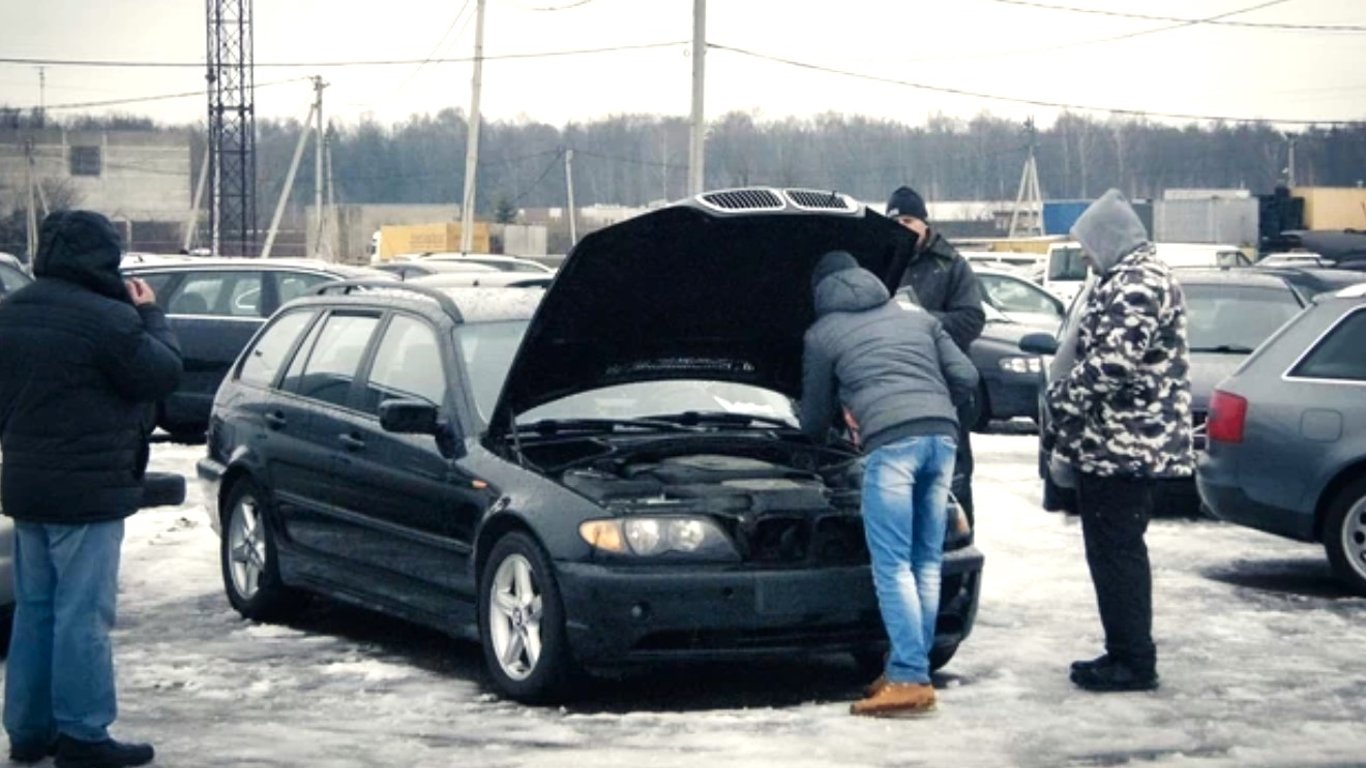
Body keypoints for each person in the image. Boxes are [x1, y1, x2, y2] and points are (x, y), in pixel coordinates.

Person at [0, 210, 182, 767]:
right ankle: (82, 732)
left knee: (34, 608)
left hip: (27, 485)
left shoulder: (10, 314)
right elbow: (162, 374)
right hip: (88, 492)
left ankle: (29, 730)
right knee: (83, 612)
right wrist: (151, 314)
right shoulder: (110, 319)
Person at [799, 250, 978, 717]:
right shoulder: (916, 318)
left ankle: (908, 677)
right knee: (925, 561)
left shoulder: (822, 334)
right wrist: (935, 407)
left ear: (820, 290)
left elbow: (813, 421)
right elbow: (966, 375)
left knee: (893, 564)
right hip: (942, 439)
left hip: (891, 445)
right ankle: (908, 667)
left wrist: (846, 416)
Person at [1044, 189, 1194, 693]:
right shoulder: (1131, 277)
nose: (1084, 255)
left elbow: (1111, 364)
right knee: (1114, 551)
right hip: (1120, 441)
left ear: (1108, 239)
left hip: (1125, 444)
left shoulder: (1137, 283)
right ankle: (1124, 651)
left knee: (1117, 553)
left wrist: (1062, 398)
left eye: (1087, 245)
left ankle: (1132, 659)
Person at [885, 186, 985, 521]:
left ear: (925, 223)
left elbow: (972, 319)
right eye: (894, 219)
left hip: (945, 387)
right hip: (894, 388)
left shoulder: (952, 265)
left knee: (952, 478)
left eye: (908, 219)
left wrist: (921, 321)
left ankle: (956, 547)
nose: (902, 226)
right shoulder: (880, 261)